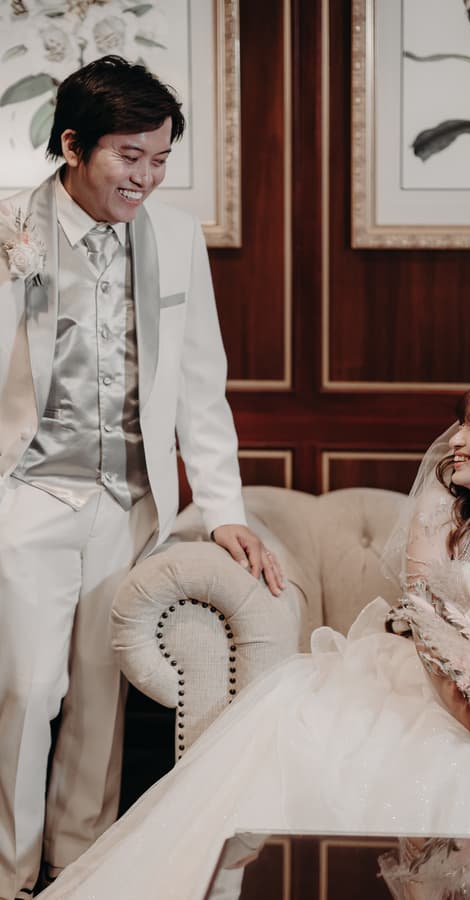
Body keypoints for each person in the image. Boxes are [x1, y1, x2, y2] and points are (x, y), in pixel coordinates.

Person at [38, 362, 470, 900]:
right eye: (463, 418)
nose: (456, 435)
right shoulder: (440, 525)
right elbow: (431, 643)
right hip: (436, 697)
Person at [0, 55, 284, 900]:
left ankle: (75, 870)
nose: (148, 178)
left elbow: (202, 381)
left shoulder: (176, 237)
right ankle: (8, 875)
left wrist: (224, 509)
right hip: (27, 495)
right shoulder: (10, 229)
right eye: (131, 156)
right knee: (27, 687)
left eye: (160, 159)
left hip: (131, 502)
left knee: (99, 702)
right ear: (73, 145)